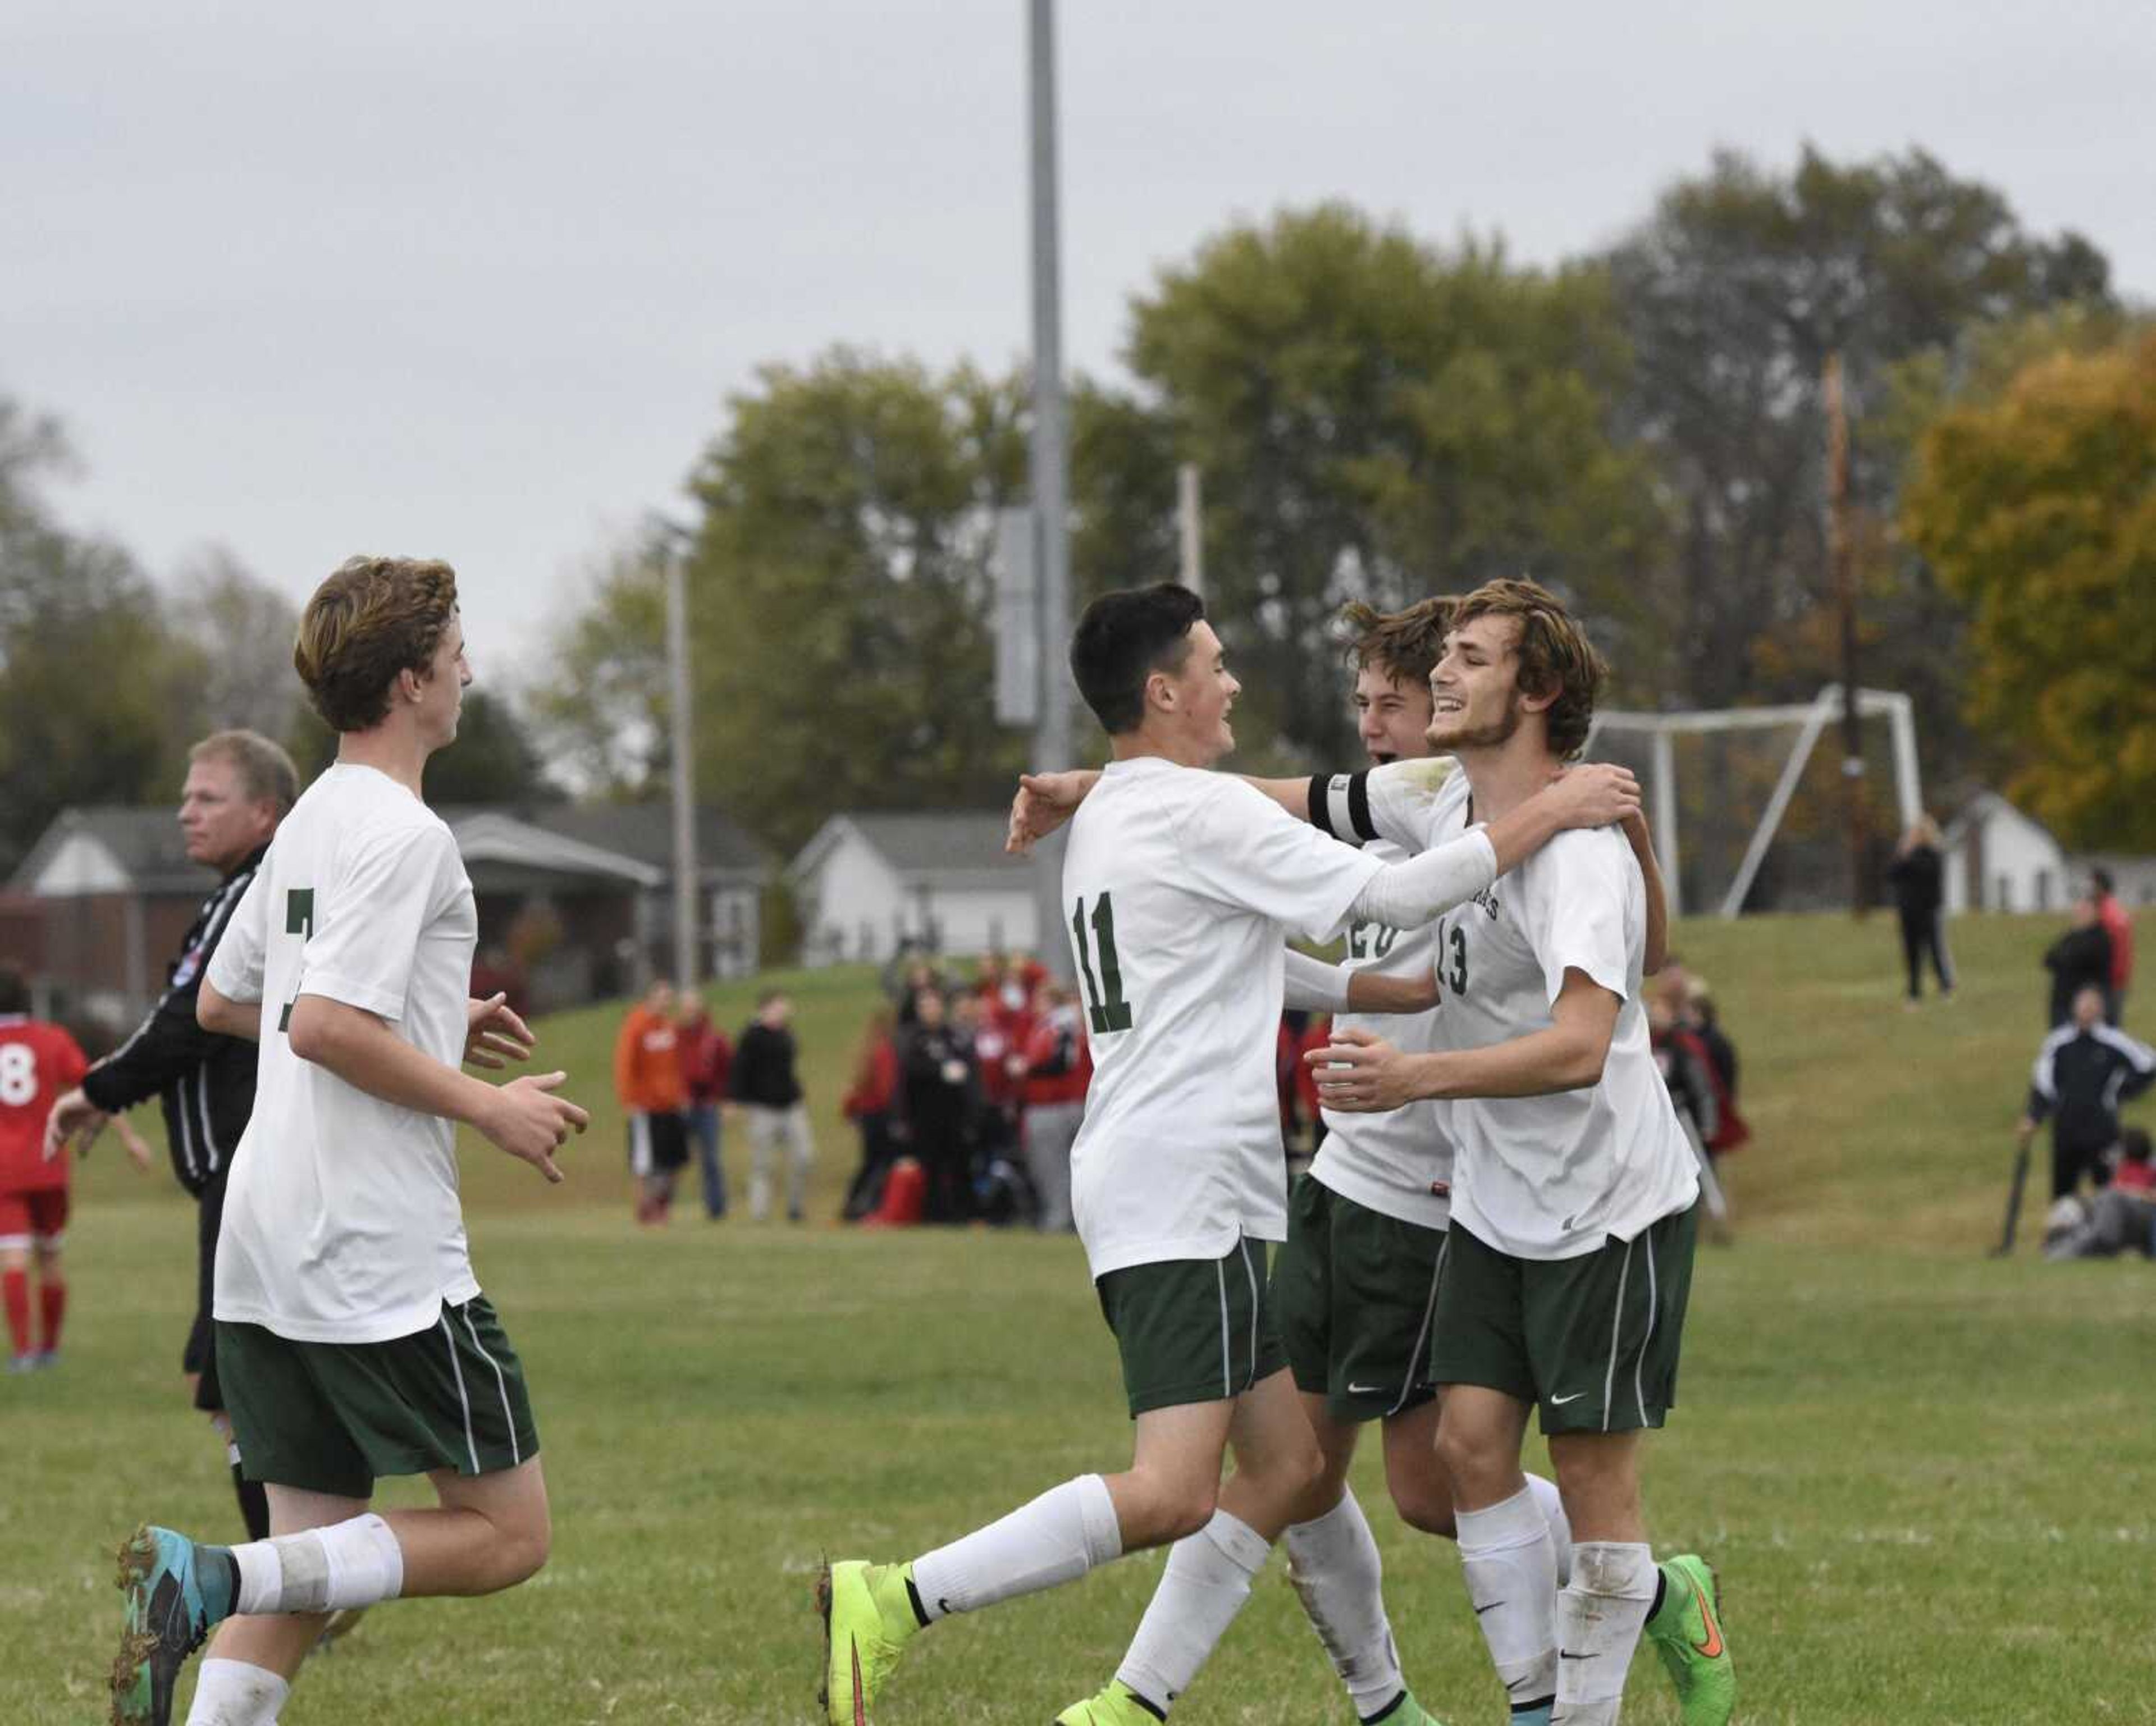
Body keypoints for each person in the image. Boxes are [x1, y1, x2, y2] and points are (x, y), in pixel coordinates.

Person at [820, 581, 1641, 1726]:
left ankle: (1384, 1705)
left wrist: (1390, 987)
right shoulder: (1198, 812)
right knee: (1169, 1490)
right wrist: (1546, 814)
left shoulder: (1120, 814)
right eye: (1214, 661)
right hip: (1184, 1186)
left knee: (1297, 1469)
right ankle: (900, 1596)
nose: (1233, 679)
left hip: (1157, 1172)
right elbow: (1400, 885)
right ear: (1165, 692)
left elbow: (1229, 957)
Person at [109, 554, 589, 1726]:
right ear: (415, 677)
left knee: (309, 1563)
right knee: (507, 1533)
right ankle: (209, 1574)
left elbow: (231, 1002)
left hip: (264, 1249)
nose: (471, 667)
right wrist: (488, 1103)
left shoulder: (313, 816)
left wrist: (426, 1015)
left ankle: (226, 1590)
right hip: (371, 1254)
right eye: (458, 649)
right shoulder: (407, 834)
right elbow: (323, 1022)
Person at [1304, 578, 1733, 1726]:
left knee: (1595, 1487)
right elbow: (1291, 802)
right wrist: (1118, 790)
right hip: (1496, 1203)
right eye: (1447, 653)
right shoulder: (1451, 811)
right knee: (1468, 1448)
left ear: (1536, 691)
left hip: (1607, 1207)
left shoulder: (1577, 851)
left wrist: (1415, 1077)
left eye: (1475, 658)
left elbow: (1586, 1044)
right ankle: (1536, 1706)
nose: (1442, 674)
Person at [44, 729, 299, 1541]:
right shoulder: (256, 891)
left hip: (251, 1175)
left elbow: (183, 1021)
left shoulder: (250, 897)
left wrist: (96, 1089)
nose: (185, 812)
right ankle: (311, 1564)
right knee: (251, 1378)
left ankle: (300, 1573)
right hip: (248, 1176)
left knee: (236, 1379)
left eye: (208, 797)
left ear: (265, 811)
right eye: (186, 796)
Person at [0, 966, 89, 1372]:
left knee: (14, 1257)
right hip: (49, 1163)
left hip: (5, 1169)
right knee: (50, 1257)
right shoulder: (51, 1039)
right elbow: (92, 1086)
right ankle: (49, 1350)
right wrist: (129, 1136)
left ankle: (22, 1352)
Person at [2017, 984, 2156, 1200]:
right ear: (2074, 1008)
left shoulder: (2113, 1041)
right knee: (2063, 1197)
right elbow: (2043, 1084)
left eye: (2092, 1006)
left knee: (2107, 1194)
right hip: (2066, 1129)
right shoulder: (2058, 1043)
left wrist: (2122, 1090)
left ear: (2100, 1010)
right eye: (2083, 1005)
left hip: (2102, 1130)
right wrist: (2033, 1117)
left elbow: (2148, 1064)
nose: (2087, 1010)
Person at [897, 987, 979, 1223]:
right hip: (926, 1115)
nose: (932, 1011)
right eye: (926, 1007)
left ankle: (965, 1214)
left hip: (954, 1114)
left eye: (935, 1006)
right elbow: (909, 1072)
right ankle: (933, 1215)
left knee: (960, 1165)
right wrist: (939, 1071)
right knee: (931, 1167)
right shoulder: (914, 1039)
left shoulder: (953, 1036)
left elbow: (969, 1068)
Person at [614, 979, 690, 1225]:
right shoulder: (636, 1025)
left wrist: (681, 1094)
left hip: (671, 1105)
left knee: (675, 1160)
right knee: (645, 1163)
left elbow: (678, 1065)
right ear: (651, 997)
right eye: (662, 997)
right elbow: (625, 1064)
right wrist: (630, 1099)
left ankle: (662, 1206)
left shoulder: (669, 1026)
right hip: (645, 1106)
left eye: (669, 997)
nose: (666, 1002)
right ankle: (645, 1212)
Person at [732, 989, 811, 1223]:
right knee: (762, 1164)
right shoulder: (752, 1035)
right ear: (765, 1008)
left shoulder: (787, 1033)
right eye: (779, 1006)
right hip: (763, 1109)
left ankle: (795, 1208)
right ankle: (759, 1213)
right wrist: (735, 1100)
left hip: (791, 1106)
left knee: (805, 1156)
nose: (784, 1010)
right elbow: (739, 1069)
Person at [1020, 985, 1089, 1232]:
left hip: (1054, 1105)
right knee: (1071, 1168)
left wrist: (1025, 1067)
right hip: (1073, 1103)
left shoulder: (1055, 1028)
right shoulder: (1070, 1027)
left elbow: (1052, 1062)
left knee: (1052, 1167)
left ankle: (1059, 1220)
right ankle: (1073, 1220)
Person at [2045, 1127, 2156, 1259]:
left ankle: (2064, 1253)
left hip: (2140, 1217)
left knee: (2108, 1200)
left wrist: (2136, 1193)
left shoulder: (2150, 1169)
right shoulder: (2121, 1170)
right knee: (2070, 1205)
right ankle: (2057, 1246)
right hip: (2116, 1214)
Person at [840, 1008, 901, 1221]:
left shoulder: (867, 1050)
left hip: (866, 1115)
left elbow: (854, 1089)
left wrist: (850, 1112)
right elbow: (887, 1087)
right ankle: (866, 1204)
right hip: (879, 1115)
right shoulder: (885, 1051)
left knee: (869, 1162)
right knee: (881, 1162)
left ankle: (852, 1203)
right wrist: (896, 1113)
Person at [1886, 817, 1953, 1004]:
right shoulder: (1906, 856)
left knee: (1935, 950)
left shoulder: (1933, 855)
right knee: (1911, 953)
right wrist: (1903, 855)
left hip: (1928, 910)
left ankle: (1945, 986)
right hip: (1908, 911)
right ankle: (1914, 992)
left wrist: (1909, 857)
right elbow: (1892, 874)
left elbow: (1927, 874)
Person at [678, 1001, 734, 1220]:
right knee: (673, 1158)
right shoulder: (675, 1037)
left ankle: (716, 1208)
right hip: (681, 1105)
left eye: (694, 1009)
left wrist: (727, 1100)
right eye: (686, 1009)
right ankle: (660, 1206)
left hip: (708, 1106)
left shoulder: (714, 1038)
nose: (690, 1014)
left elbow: (728, 1069)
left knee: (711, 1158)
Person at [2043, 898, 2114, 1029]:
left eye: (2085, 910)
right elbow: (2049, 959)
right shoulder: (2071, 935)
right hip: (2062, 1001)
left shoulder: (2100, 937)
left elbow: (2079, 959)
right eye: (2079, 911)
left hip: (2086, 1003)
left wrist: (2065, 957)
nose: (2081, 914)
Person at [2091, 868, 2134, 1025]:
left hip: (2106, 980)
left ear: (2100, 887)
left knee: (2104, 1029)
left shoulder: (2104, 915)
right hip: (2118, 980)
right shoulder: (2118, 912)